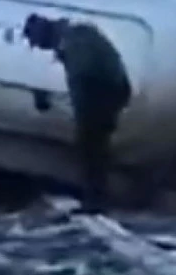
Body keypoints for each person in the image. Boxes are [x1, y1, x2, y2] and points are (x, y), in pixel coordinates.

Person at [23, 13, 132, 211]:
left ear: (43, 36)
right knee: (95, 148)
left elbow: (81, 82)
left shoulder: (73, 44)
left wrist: (81, 117)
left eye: (38, 44)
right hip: (111, 91)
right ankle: (96, 198)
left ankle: (96, 201)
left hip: (104, 94)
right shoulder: (76, 35)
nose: (41, 49)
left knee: (91, 147)